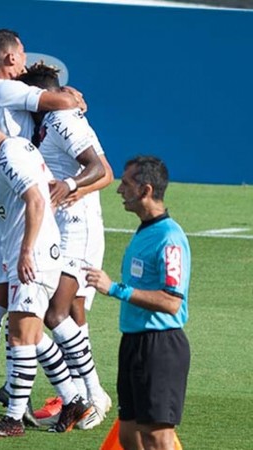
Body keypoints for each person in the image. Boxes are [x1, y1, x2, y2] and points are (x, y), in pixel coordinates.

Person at [0, 28, 87, 426]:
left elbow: (35, 198)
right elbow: (61, 100)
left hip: (15, 214)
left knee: (12, 315)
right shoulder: (4, 91)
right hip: (12, 212)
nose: (24, 61)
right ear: (11, 57)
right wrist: (70, 94)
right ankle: (70, 396)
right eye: (22, 54)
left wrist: (26, 250)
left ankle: (3, 400)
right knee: (19, 322)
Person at [17, 62, 114, 429]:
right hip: (61, 227)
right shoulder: (48, 122)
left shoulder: (62, 120)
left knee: (52, 313)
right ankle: (80, 394)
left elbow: (101, 169)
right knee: (70, 313)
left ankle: (89, 392)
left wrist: (71, 187)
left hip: (79, 228)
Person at [86, 156, 191, 450]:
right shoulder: (146, 230)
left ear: (145, 190)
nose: (119, 190)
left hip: (160, 347)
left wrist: (116, 289)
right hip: (133, 342)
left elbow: (172, 302)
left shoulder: (169, 238)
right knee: (129, 434)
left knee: (157, 437)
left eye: (126, 183)